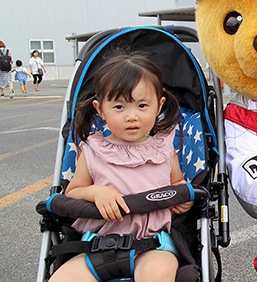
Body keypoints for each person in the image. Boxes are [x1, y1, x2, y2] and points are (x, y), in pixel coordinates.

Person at [49, 52, 192, 282]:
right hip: (96, 246)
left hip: (152, 246)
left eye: (142, 105)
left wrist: (184, 197)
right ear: (100, 109)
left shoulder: (164, 150)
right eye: (119, 107)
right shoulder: (93, 151)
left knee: (158, 274)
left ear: (159, 106)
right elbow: (73, 192)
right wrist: (97, 192)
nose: (131, 116)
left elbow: (177, 183)